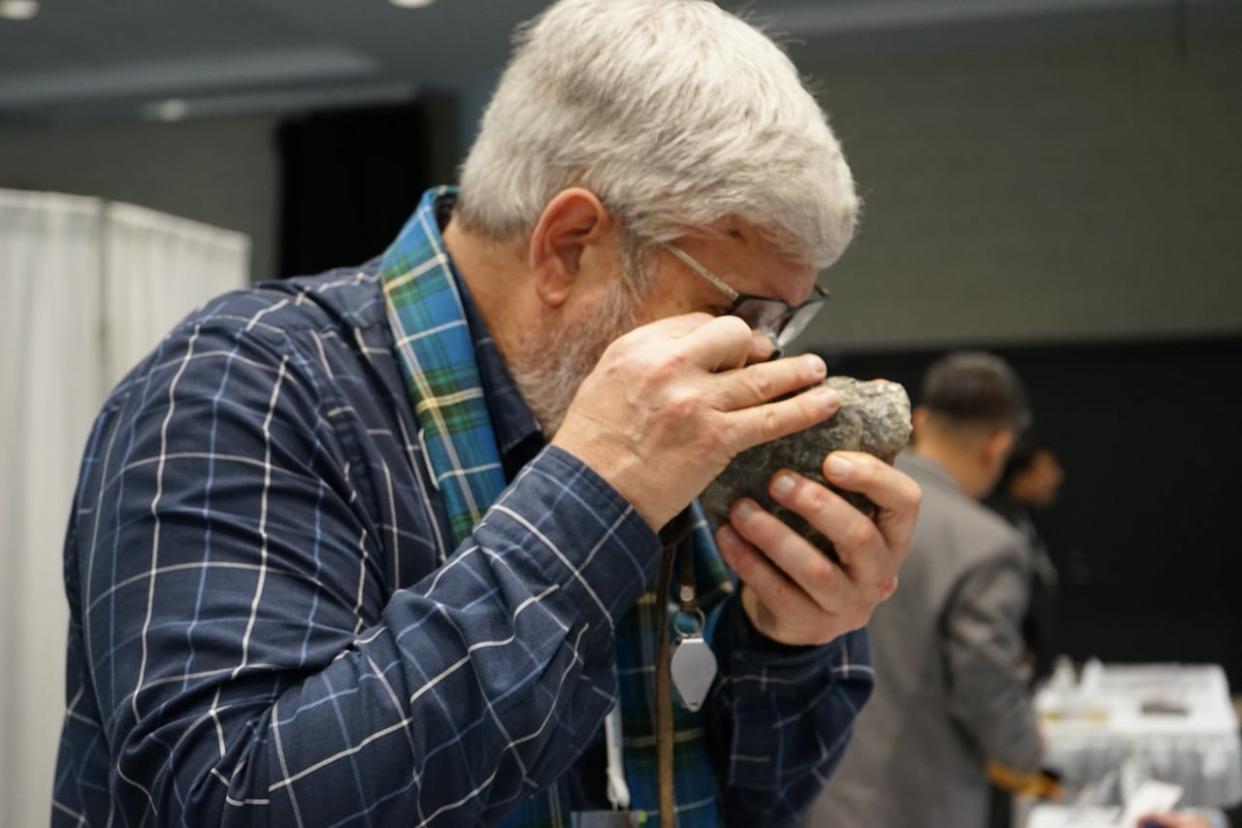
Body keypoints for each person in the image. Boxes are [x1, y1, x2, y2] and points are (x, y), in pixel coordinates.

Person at [50, 2, 921, 826]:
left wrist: (793, 642)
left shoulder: (665, 420)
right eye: (744, 310)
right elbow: (233, 801)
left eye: (784, 319)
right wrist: (589, 498)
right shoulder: (242, 389)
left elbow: (753, 802)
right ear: (568, 247)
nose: (761, 355)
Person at [808, 352, 1049, 828]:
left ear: (919, 420)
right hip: (922, 798)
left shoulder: (835, 506)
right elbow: (986, 686)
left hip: (818, 789)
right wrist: (1032, 758)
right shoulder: (987, 544)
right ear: (997, 447)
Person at [987, 436, 1066, 686]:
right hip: (1007, 662)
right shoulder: (995, 523)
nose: (1057, 477)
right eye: (1048, 468)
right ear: (1022, 473)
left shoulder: (1022, 519)